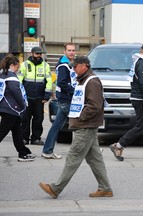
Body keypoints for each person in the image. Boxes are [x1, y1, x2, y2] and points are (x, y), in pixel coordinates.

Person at [39, 56, 113, 198]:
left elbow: (95, 106)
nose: (73, 69)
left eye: (75, 66)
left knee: (73, 157)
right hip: (85, 125)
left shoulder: (92, 82)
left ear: (84, 66)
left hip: (85, 126)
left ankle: (56, 188)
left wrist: (80, 117)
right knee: (95, 159)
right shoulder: (83, 80)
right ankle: (105, 188)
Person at [0, 54, 35, 165]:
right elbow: (16, 92)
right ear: (12, 65)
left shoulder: (3, 74)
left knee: (17, 132)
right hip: (11, 109)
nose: (18, 70)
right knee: (1, 132)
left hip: (6, 108)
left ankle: (23, 153)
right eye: (17, 67)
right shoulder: (11, 77)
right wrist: (23, 105)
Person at [41, 43, 76, 159]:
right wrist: (75, 90)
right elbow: (61, 82)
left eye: (73, 50)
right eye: (69, 50)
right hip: (66, 100)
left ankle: (47, 150)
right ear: (64, 51)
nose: (72, 52)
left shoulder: (68, 64)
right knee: (83, 123)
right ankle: (90, 149)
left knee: (56, 126)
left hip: (65, 99)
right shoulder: (63, 65)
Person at [18, 46, 52, 145]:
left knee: (38, 119)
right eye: (37, 53)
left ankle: (36, 138)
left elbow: (49, 81)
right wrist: (20, 95)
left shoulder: (45, 66)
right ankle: (24, 138)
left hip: (39, 98)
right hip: (27, 98)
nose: (39, 55)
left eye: (40, 54)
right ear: (32, 54)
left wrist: (46, 96)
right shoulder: (24, 65)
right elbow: (19, 80)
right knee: (25, 119)